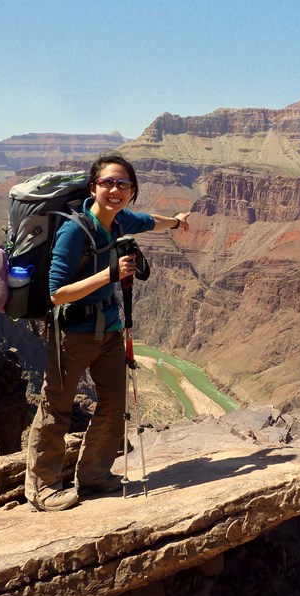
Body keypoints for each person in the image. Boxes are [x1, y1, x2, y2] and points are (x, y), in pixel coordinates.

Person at [25, 154, 190, 512]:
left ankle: (95, 475)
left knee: (114, 406)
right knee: (57, 407)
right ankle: (42, 486)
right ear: (94, 187)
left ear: (132, 191)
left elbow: (151, 222)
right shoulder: (74, 230)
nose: (115, 190)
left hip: (111, 330)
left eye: (123, 184)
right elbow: (57, 293)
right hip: (74, 333)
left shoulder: (121, 219)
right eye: (108, 183)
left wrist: (176, 223)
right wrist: (109, 275)